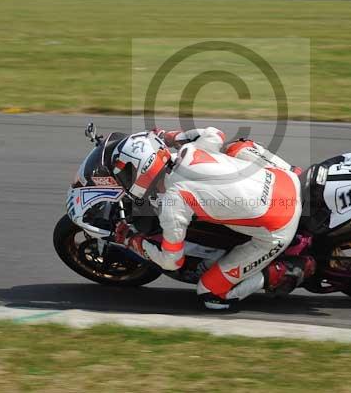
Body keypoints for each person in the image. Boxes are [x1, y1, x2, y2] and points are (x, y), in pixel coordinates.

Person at [107, 127, 314, 310]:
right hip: (286, 179)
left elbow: (172, 262)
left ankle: (283, 271)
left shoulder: (174, 201)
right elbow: (214, 133)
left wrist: (131, 241)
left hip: (279, 227)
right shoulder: (189, 151)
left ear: (143, 171)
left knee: (210, 294)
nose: (125, 179)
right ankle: (296, 171)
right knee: (235, 147)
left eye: (127, 174)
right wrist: (169, 136)